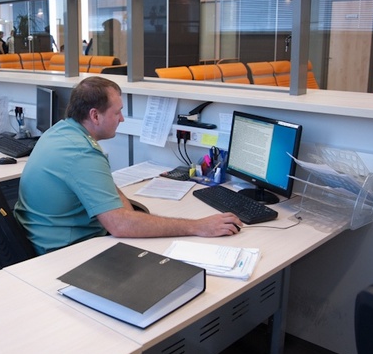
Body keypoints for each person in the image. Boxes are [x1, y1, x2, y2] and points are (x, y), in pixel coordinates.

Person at [14, 76, 241, 254]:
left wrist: (126, 213)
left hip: (40, 234)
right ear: (95, 116)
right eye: (117, 112)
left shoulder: (62, 131)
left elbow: (110, 194)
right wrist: (198, 226)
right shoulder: (81, 152)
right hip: (63, 250)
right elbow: (120, 225)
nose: (122, 119)